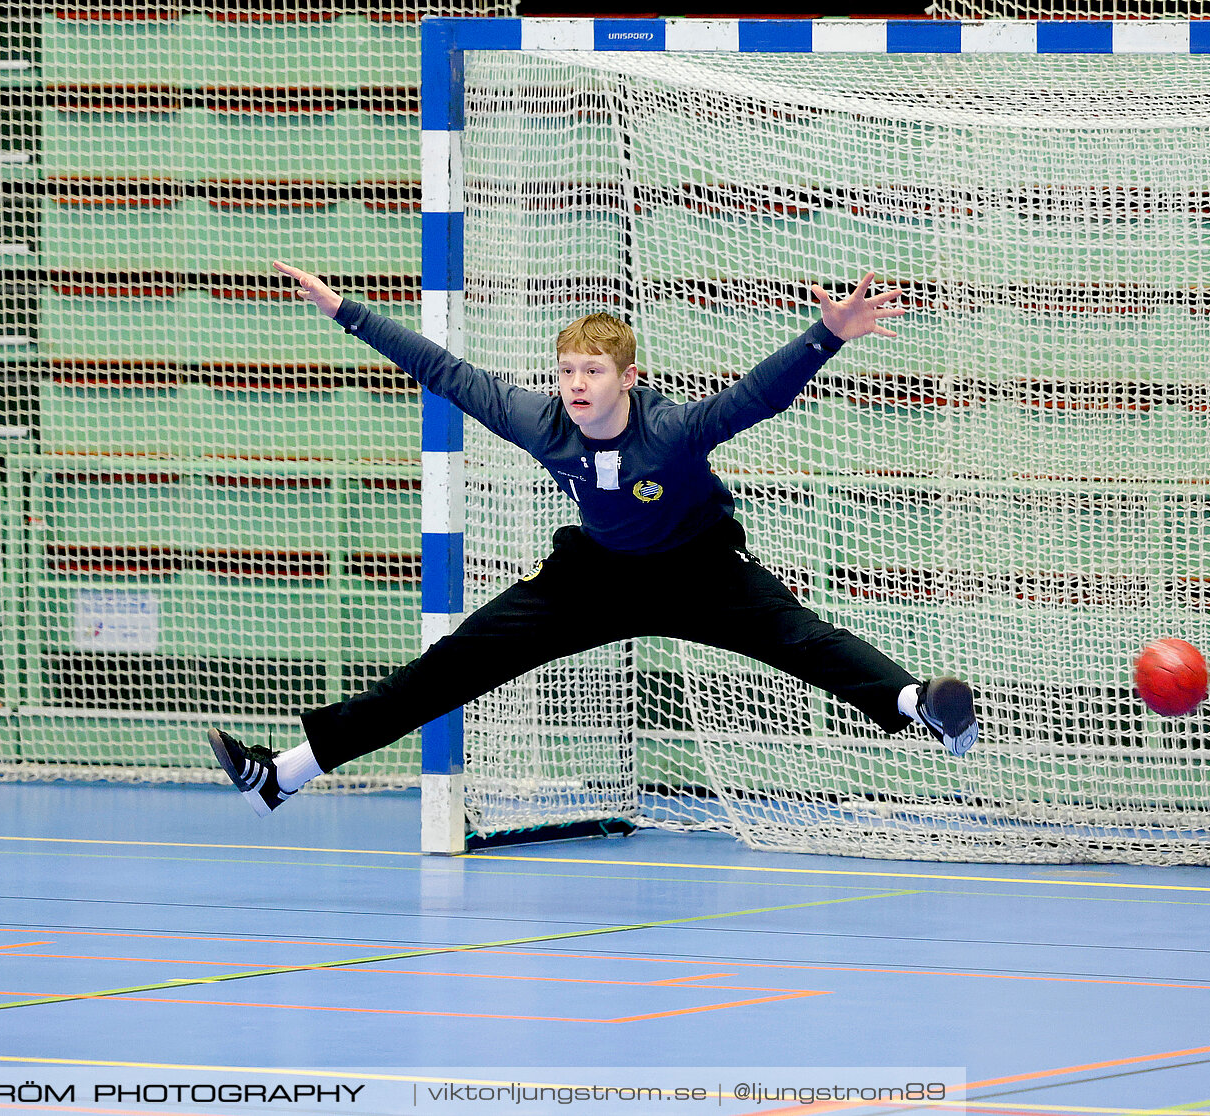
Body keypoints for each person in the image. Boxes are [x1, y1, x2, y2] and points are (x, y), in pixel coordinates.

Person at [208, 260, 979, 817]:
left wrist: (827, 335)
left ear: (629, 378)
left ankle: (921, 704)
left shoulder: (672, 430)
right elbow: (442, 371)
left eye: (593, 371)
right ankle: (286, 771)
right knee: (449, 669)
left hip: (698, 567)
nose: (576, 384)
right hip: (593, 576)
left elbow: (756, 397)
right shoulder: (541, 422)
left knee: (802, 638)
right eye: (567, 370)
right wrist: (348, 311)